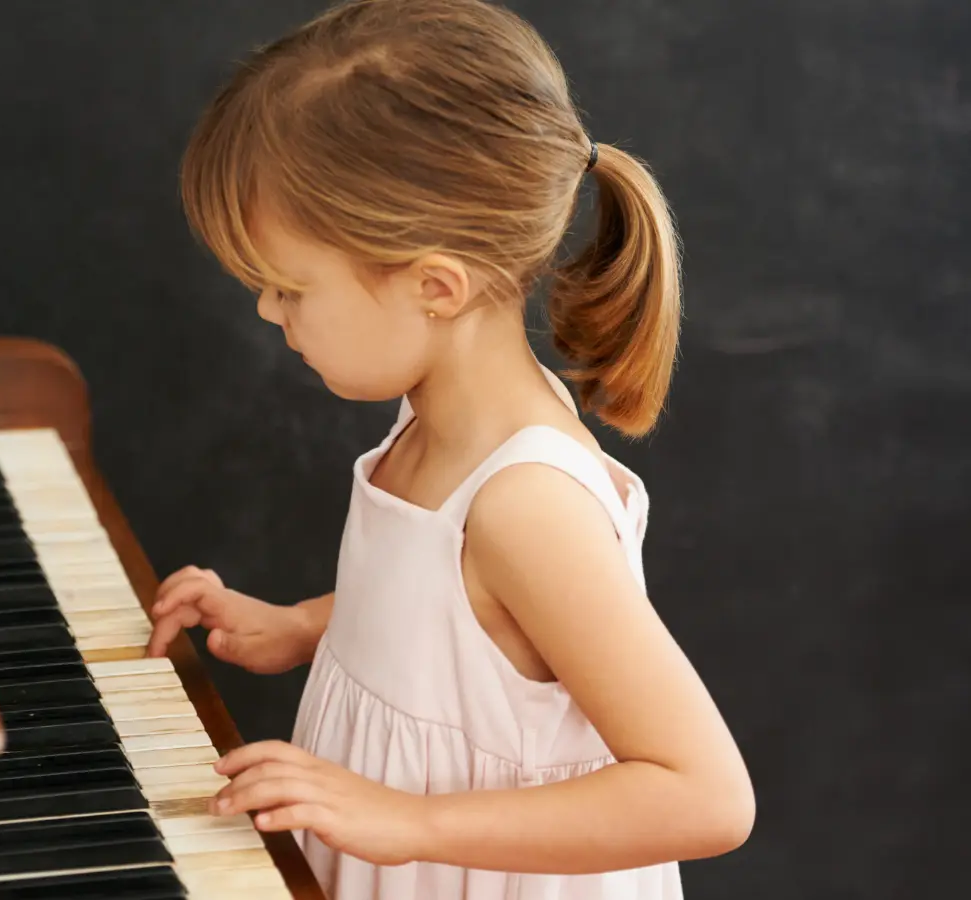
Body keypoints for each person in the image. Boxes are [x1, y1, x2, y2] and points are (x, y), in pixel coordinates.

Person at [146, 1, 754, 896]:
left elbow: (705, 796)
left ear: (435, 285)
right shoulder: (432, 419)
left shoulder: (527, 508)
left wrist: (407, 822)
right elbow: (447, 615)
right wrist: (304, 626)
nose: (269, 313)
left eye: (286, 287)